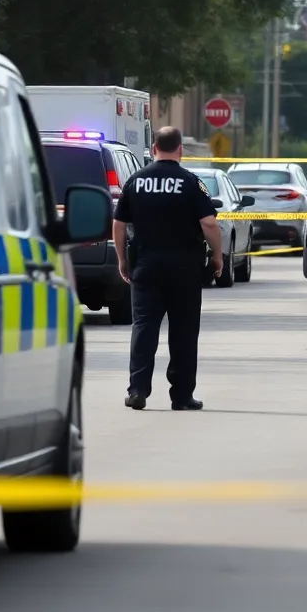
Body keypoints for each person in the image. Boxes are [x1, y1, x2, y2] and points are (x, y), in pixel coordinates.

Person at [113, 126, 222, 411]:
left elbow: (119, 223)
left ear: (153, 148)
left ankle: (137, 390)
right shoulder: (190, 182)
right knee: (184, 332)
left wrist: (122, 259)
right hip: (184, 269)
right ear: (180, 150)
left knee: (144, 328)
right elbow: (209, 223)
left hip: (146, 267)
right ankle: (182, 396)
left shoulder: (135, 181)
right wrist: (218, 256)